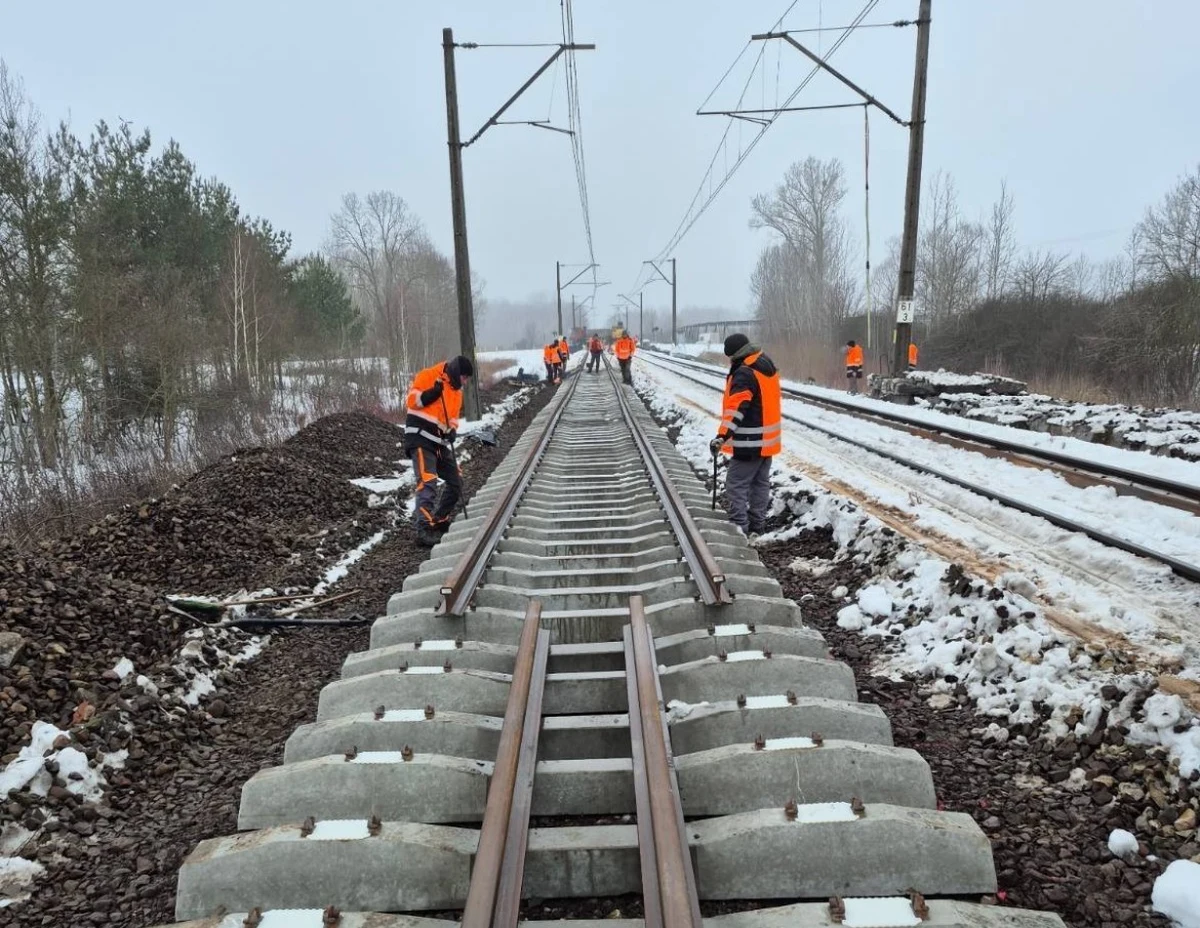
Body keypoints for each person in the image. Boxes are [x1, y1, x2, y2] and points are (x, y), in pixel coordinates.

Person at [707, 334, 781, 538]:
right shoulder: (764, 363)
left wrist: (722, 436)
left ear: (733, 355)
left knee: (736, 484)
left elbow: (737, 408)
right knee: (760, 483)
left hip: (750, 441)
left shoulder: (744, 373)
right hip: (767, 442)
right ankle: (757, 526)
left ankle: (738, 528)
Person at [404, 355, 474, 547]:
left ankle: (439, 519)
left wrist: (452, 430)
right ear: (455, 372)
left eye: (467, 379)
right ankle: (423, 529)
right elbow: (411, 401)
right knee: (428, 481)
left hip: (438, 442)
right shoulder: (428, 375)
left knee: (456, 481)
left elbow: (452, 418)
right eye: (464, 377)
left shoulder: (456, 392)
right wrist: (430, 395)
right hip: (419, 437)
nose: (465, 382)